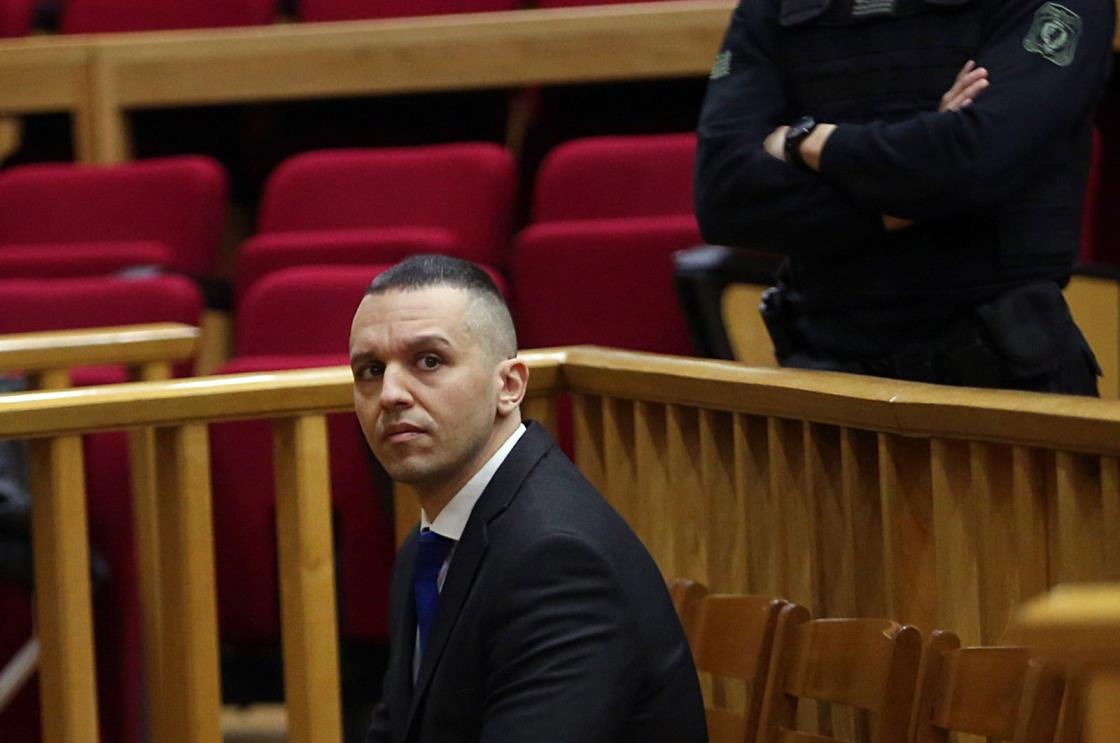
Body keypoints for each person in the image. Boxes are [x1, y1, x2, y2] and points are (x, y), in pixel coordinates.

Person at [349, 255, 707, 743]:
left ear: (509, 386)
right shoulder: (428, 541)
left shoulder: (556, 559)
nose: (390, 393)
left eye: (429, 361)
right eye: (370, 370)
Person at [694, 0, 1114, 395]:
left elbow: (976, 160)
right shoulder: (775, 7)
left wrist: (804, 140)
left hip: (1007, 381)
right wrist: (913, 189)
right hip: (825, 381)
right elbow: (725, 198)